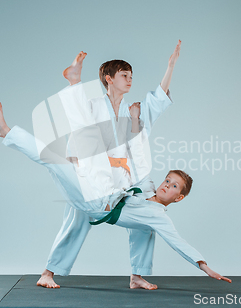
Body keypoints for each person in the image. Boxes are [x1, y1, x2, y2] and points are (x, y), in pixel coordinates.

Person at [0, 95, 232, 284]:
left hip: (94, 203)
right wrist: (135, 121)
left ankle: (137, 276)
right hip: (96, 193)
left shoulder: (160, 218)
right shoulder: (146, 187)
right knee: (57, 163)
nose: (166, 184)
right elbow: (136, 154)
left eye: (173, 186)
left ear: (178, 198)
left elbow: (179, 243)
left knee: (146, 229)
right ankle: (7, 132)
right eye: (167, 179)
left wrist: (204, 267)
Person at [28, 42, 180, 289]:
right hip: (91, 179)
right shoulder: (94, 107)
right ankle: (48, 272)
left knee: (146, 220)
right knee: (75, 222)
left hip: (123, 184)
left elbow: (158, 99)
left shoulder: (135, 111)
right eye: (124, 75)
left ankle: (137, 275)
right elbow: (78, 125)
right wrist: (74, 84)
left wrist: (170, 66)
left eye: (131, 76)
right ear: (109, 79)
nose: (130, 80)